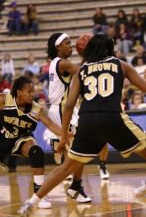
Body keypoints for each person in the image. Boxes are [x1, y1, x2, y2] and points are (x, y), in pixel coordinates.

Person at [18, 33, 146, 215]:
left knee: (66, 168)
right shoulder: (121, 65)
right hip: (113, 118)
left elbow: (69, 105)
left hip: (87, 121)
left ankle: (31, 202)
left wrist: (63, 137)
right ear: (111, 48)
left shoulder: (83, 70)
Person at [0, 76, 63, 209]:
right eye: (29, 92)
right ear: (19, 93)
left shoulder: (36, 109)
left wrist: (66, 135)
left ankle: (39, 194)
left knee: (36, 152)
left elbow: (50, 124)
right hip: (3, 137)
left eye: (33, 91)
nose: (32, 94)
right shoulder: (5, 100)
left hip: (22, 139)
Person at [43, 32, 91, 203]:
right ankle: (73, 187)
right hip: (63, 111)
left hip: (58, 110)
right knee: (79, 151)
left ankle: (74, 185)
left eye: (72, 43)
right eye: (68, 43)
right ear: (58, 47)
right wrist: (89, 55)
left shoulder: (55, 63)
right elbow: (84, 72)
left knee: (73, 153)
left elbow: (78, 71)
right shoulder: (63, 63)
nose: (71, 46)